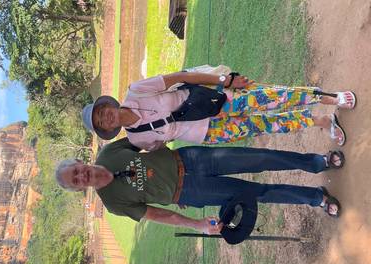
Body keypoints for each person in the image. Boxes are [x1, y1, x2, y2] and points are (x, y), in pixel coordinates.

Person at [55, 138, 344, 234]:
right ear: (79, 189)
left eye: (77, 171)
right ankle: (315, 198)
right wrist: (197, 225)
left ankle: (318, 161)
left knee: (259, 157)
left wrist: (157, 138)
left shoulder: (108, 153)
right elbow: (158, 215)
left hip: (192, 158)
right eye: (76, 181)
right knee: (256, 194)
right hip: (190, 192)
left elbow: (143, 137)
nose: (82, 177)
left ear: (80, 162)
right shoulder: (113, 203)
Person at [81, 70, 356, 150]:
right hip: (210, 133)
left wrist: (225, 81)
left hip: (215, 102)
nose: (104, 116)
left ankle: (331, 98)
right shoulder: (136, 138)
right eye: (100, 122)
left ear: (107, 104)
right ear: (107, 129)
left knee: (273, 99)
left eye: (101, 110)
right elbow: (162, 147)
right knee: (267, 125)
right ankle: (321, 121)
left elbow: (181, 77)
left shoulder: (136, 91)